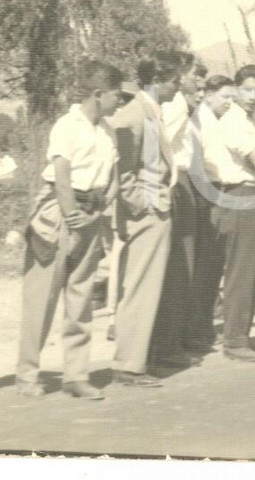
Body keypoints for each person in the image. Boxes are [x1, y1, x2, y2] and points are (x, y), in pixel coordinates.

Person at [16, 61, 125, 399]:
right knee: (41, 300)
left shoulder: (107, 131)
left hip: (92, 214)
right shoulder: (67, 126)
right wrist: (71, 214)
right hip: (58, 216)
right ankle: (27, 375)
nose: (120, 102)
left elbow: (114, 179)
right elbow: (61, 175)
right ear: (98, 93)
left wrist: (99, 211)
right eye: (116, 95)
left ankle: (76, 376)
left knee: (81, 300)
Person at [109, 52, 180, 387]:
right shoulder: (134, 114)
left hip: (156, 207)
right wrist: (141, 206)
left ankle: (137, 360)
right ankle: (128, 365)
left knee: (147, 288)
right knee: (139, 287)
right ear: (156, 80)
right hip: (147, 212)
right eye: (174, 80)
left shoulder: (151, 111)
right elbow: (123, 169)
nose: (178, 86)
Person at [203, 64, 255, 362]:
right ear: (236, 90)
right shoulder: (233, 120)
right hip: (240, 195)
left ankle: (236, 335)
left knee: (250, 270)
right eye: (247, 90)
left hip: (250, 196)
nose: (253, 96)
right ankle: (234, 340)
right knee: (242, 271)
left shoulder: (246, 121)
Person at [148, 52, 205, 369]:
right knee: (179, 269)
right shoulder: (178, 105)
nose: (197, 81)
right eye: (193, 74)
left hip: (179, 181)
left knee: (180, 268)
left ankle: (169, 341)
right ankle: (165, 346)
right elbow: (162, 147)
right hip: (174, 182)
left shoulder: (180, 105)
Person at [184, 75, 235, 352]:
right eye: (225, 96)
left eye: (232, 97)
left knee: (212, 265)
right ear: (210, 95)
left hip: (217, 192)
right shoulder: (199, 119)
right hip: (206, 193)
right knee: (204, 267)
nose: (229, 102)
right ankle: (195, 330)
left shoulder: (215, 120)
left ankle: (202, 327)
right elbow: (196, 162)